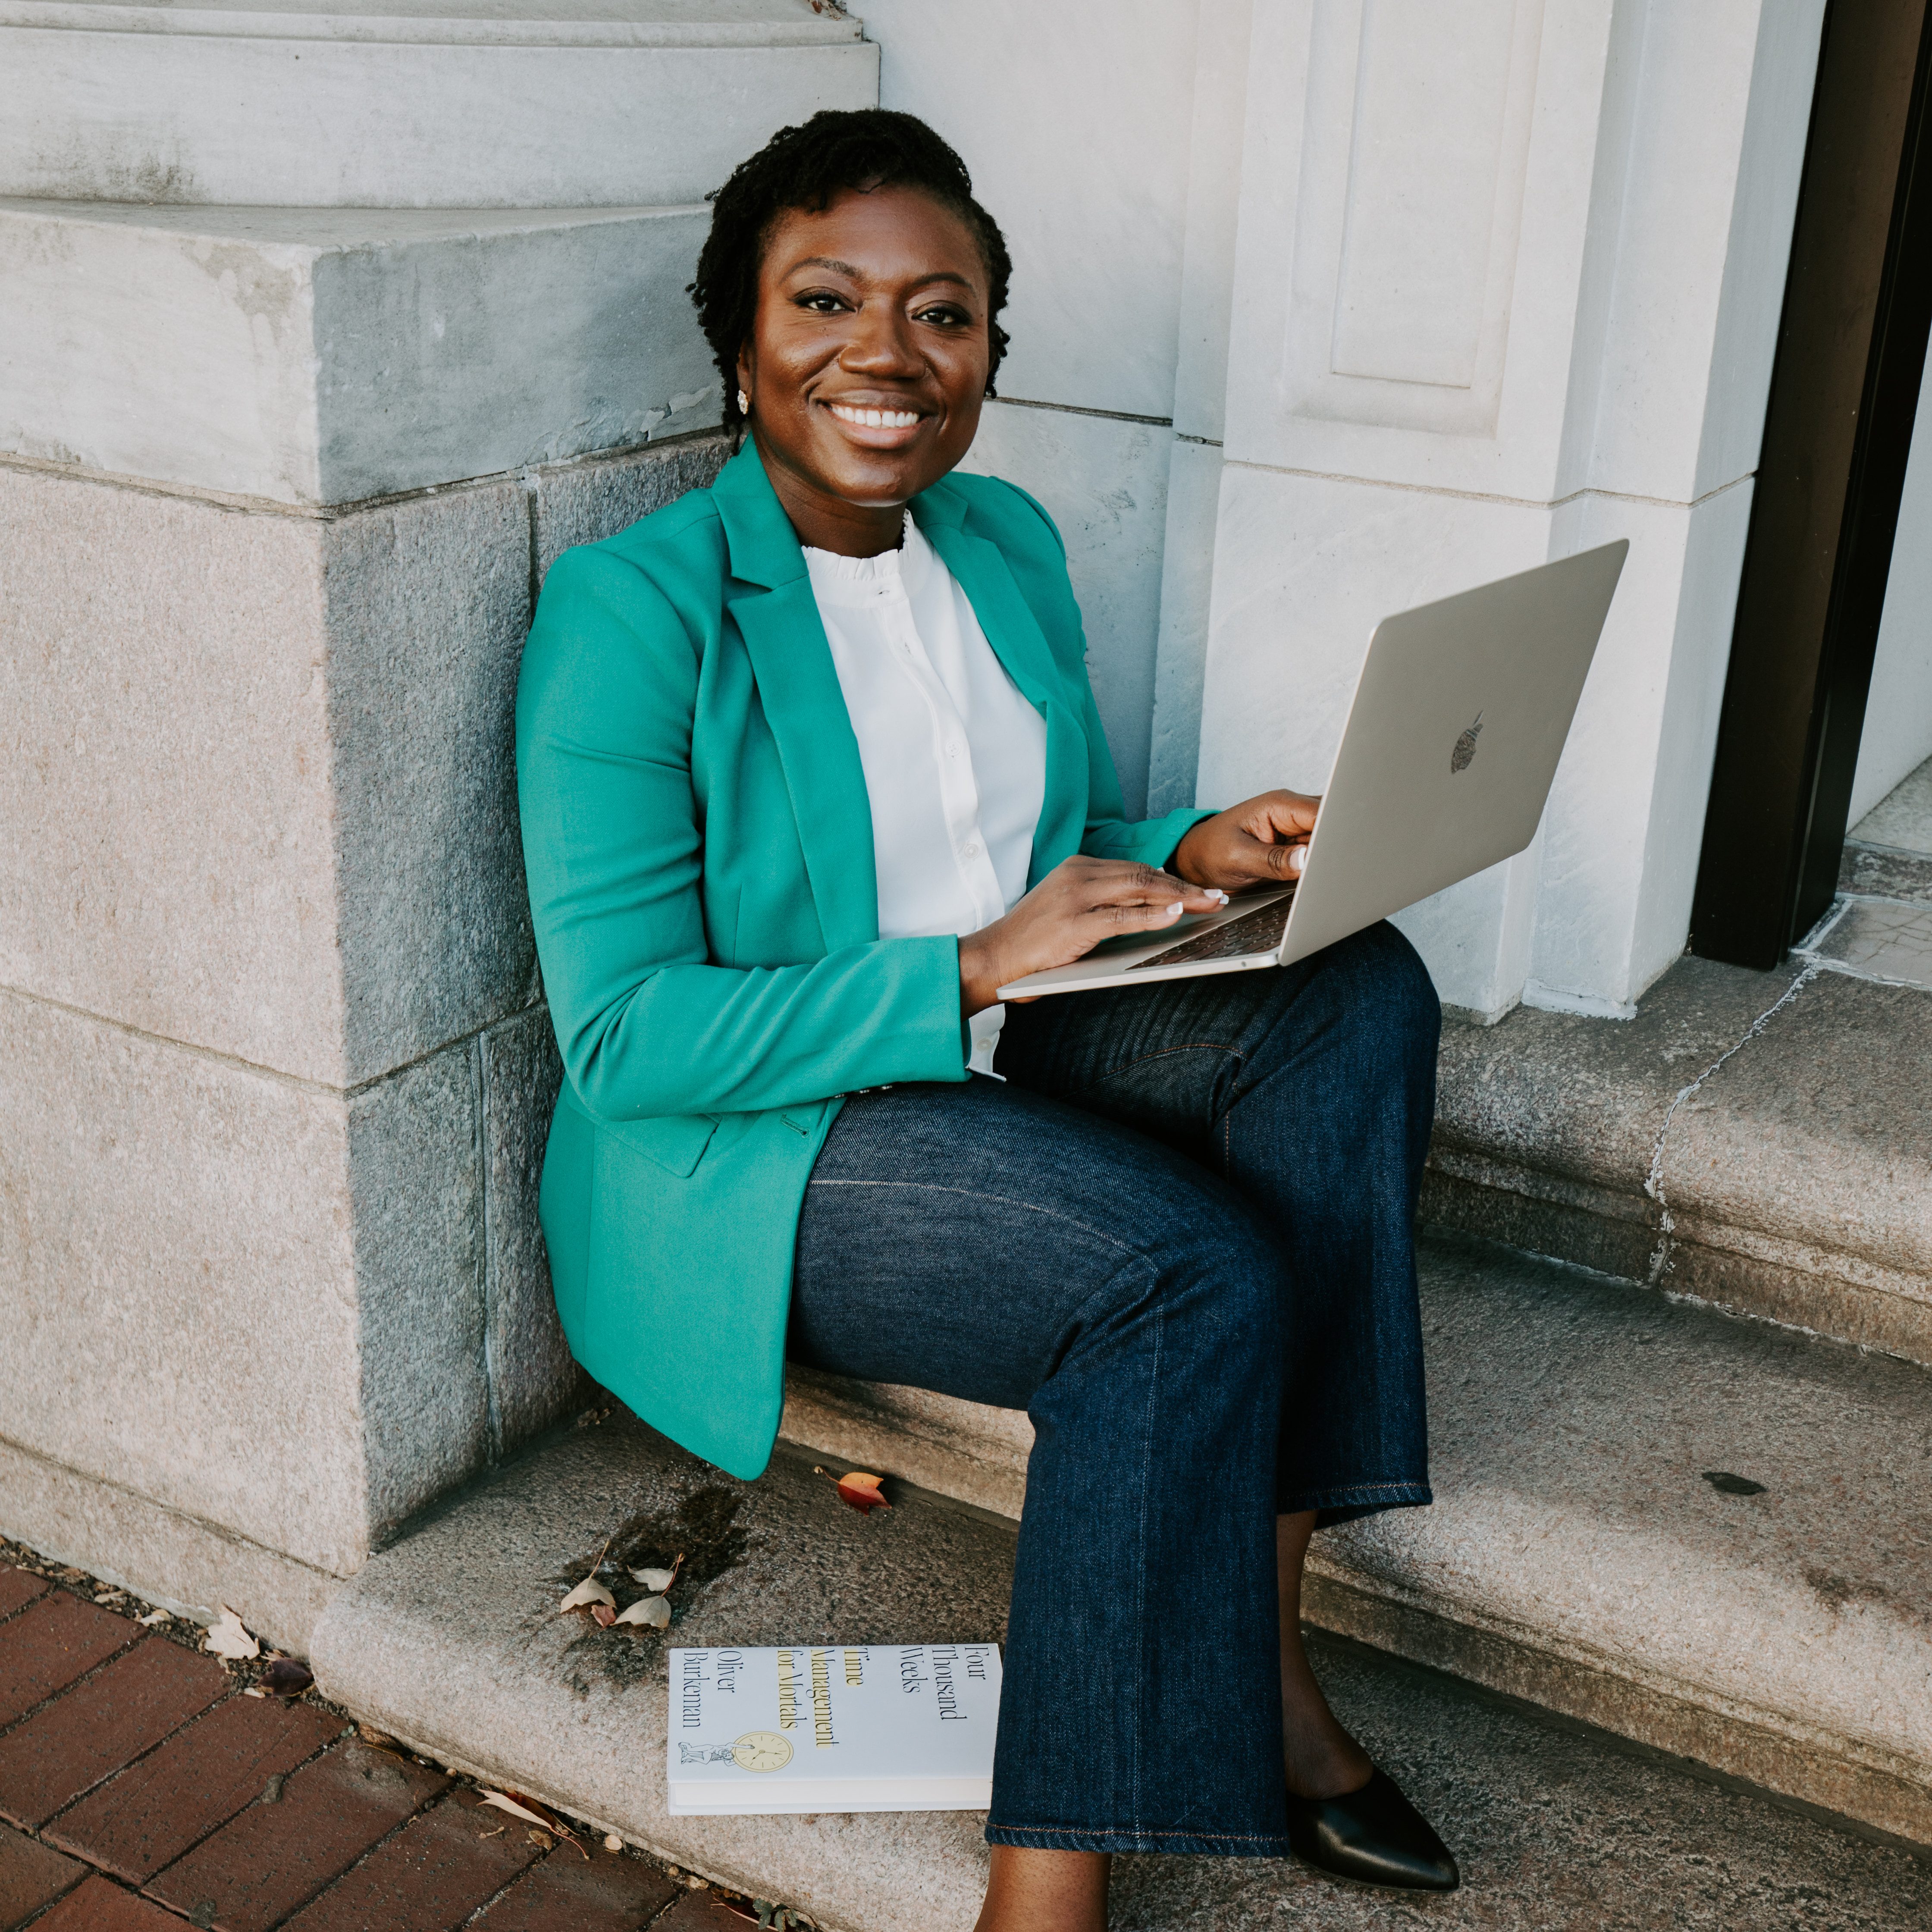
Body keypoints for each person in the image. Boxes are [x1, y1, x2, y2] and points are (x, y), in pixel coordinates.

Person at [516, 108, 1458, 1929]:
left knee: (1349, 986)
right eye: (826, 301)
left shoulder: (1003, 542)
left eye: (941, 314)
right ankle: (1048, 1886)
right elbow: (629, 1039)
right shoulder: (632, 613)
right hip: (773, 1141)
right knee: (1182, 1272)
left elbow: (1021, 848)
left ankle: (1259, 1662)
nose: (887, 354)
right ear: (739, 341)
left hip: (1011, 1044)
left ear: (988, 357)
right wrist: (959, 972)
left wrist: (1177, 846)